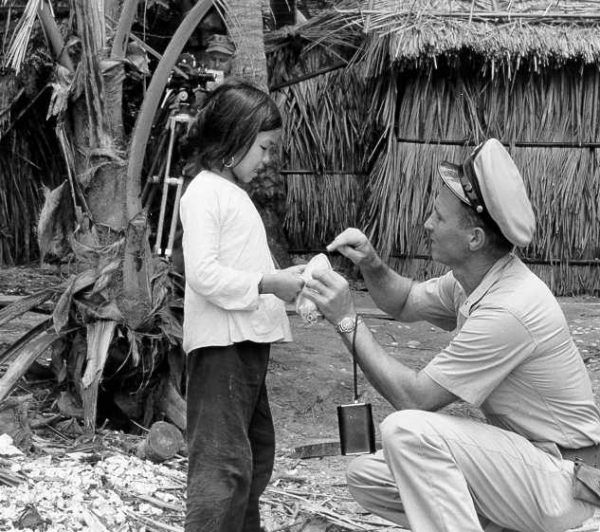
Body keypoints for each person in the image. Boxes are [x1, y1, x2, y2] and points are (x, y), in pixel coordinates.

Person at [300, 138, 600, 532]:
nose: (428, 224)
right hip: (531, 465)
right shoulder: (473, 280)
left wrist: (346, 320)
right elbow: (405, 300)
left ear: (474, 239)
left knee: (406, 430)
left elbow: (415, 399)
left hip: (568, 481)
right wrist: (371, 263)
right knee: (368, 476)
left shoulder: (509, 308)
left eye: (438, 218)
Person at [179, 79, 305, 532]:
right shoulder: (204, 193)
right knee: (222, 462)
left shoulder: (230, 193)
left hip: (247, 344)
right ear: (234, 139)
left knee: (254, 453)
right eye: (264, 148)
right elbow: (203, 275)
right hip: (222, 348)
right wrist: (270, 282)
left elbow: (244, 265)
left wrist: (292, 285)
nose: (268, 160)